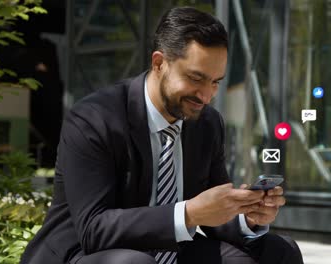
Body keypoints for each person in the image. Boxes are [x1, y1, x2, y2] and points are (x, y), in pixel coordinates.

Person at [20, 7, 303, 264]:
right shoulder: (94, 119)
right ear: (159, 63)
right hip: (83, 253)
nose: (206, 96)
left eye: (215, 82)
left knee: (279, 251)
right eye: (195, 78)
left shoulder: (207, 123)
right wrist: (188, 213)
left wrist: (247, 217)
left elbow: (213, 212)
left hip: (171, 250)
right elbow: (94, 229)